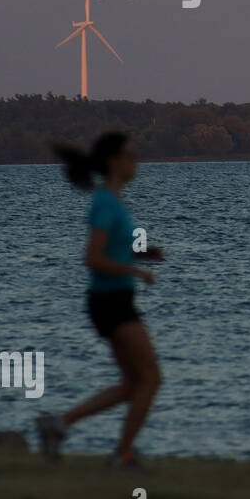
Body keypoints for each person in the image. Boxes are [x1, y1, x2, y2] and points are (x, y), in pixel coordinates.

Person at [36, 133, 162, 469]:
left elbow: (112, 250)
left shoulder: (114, 202)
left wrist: (142, 254)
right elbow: (92, 258)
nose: (135, 161)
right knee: (151, 379)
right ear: (112, 161)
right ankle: (122, 455)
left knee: (133, 383)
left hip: (114, 298)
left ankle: (57, 425)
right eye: (129, 155)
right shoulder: (105, 202)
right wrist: (136, 273)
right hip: (111, 301)